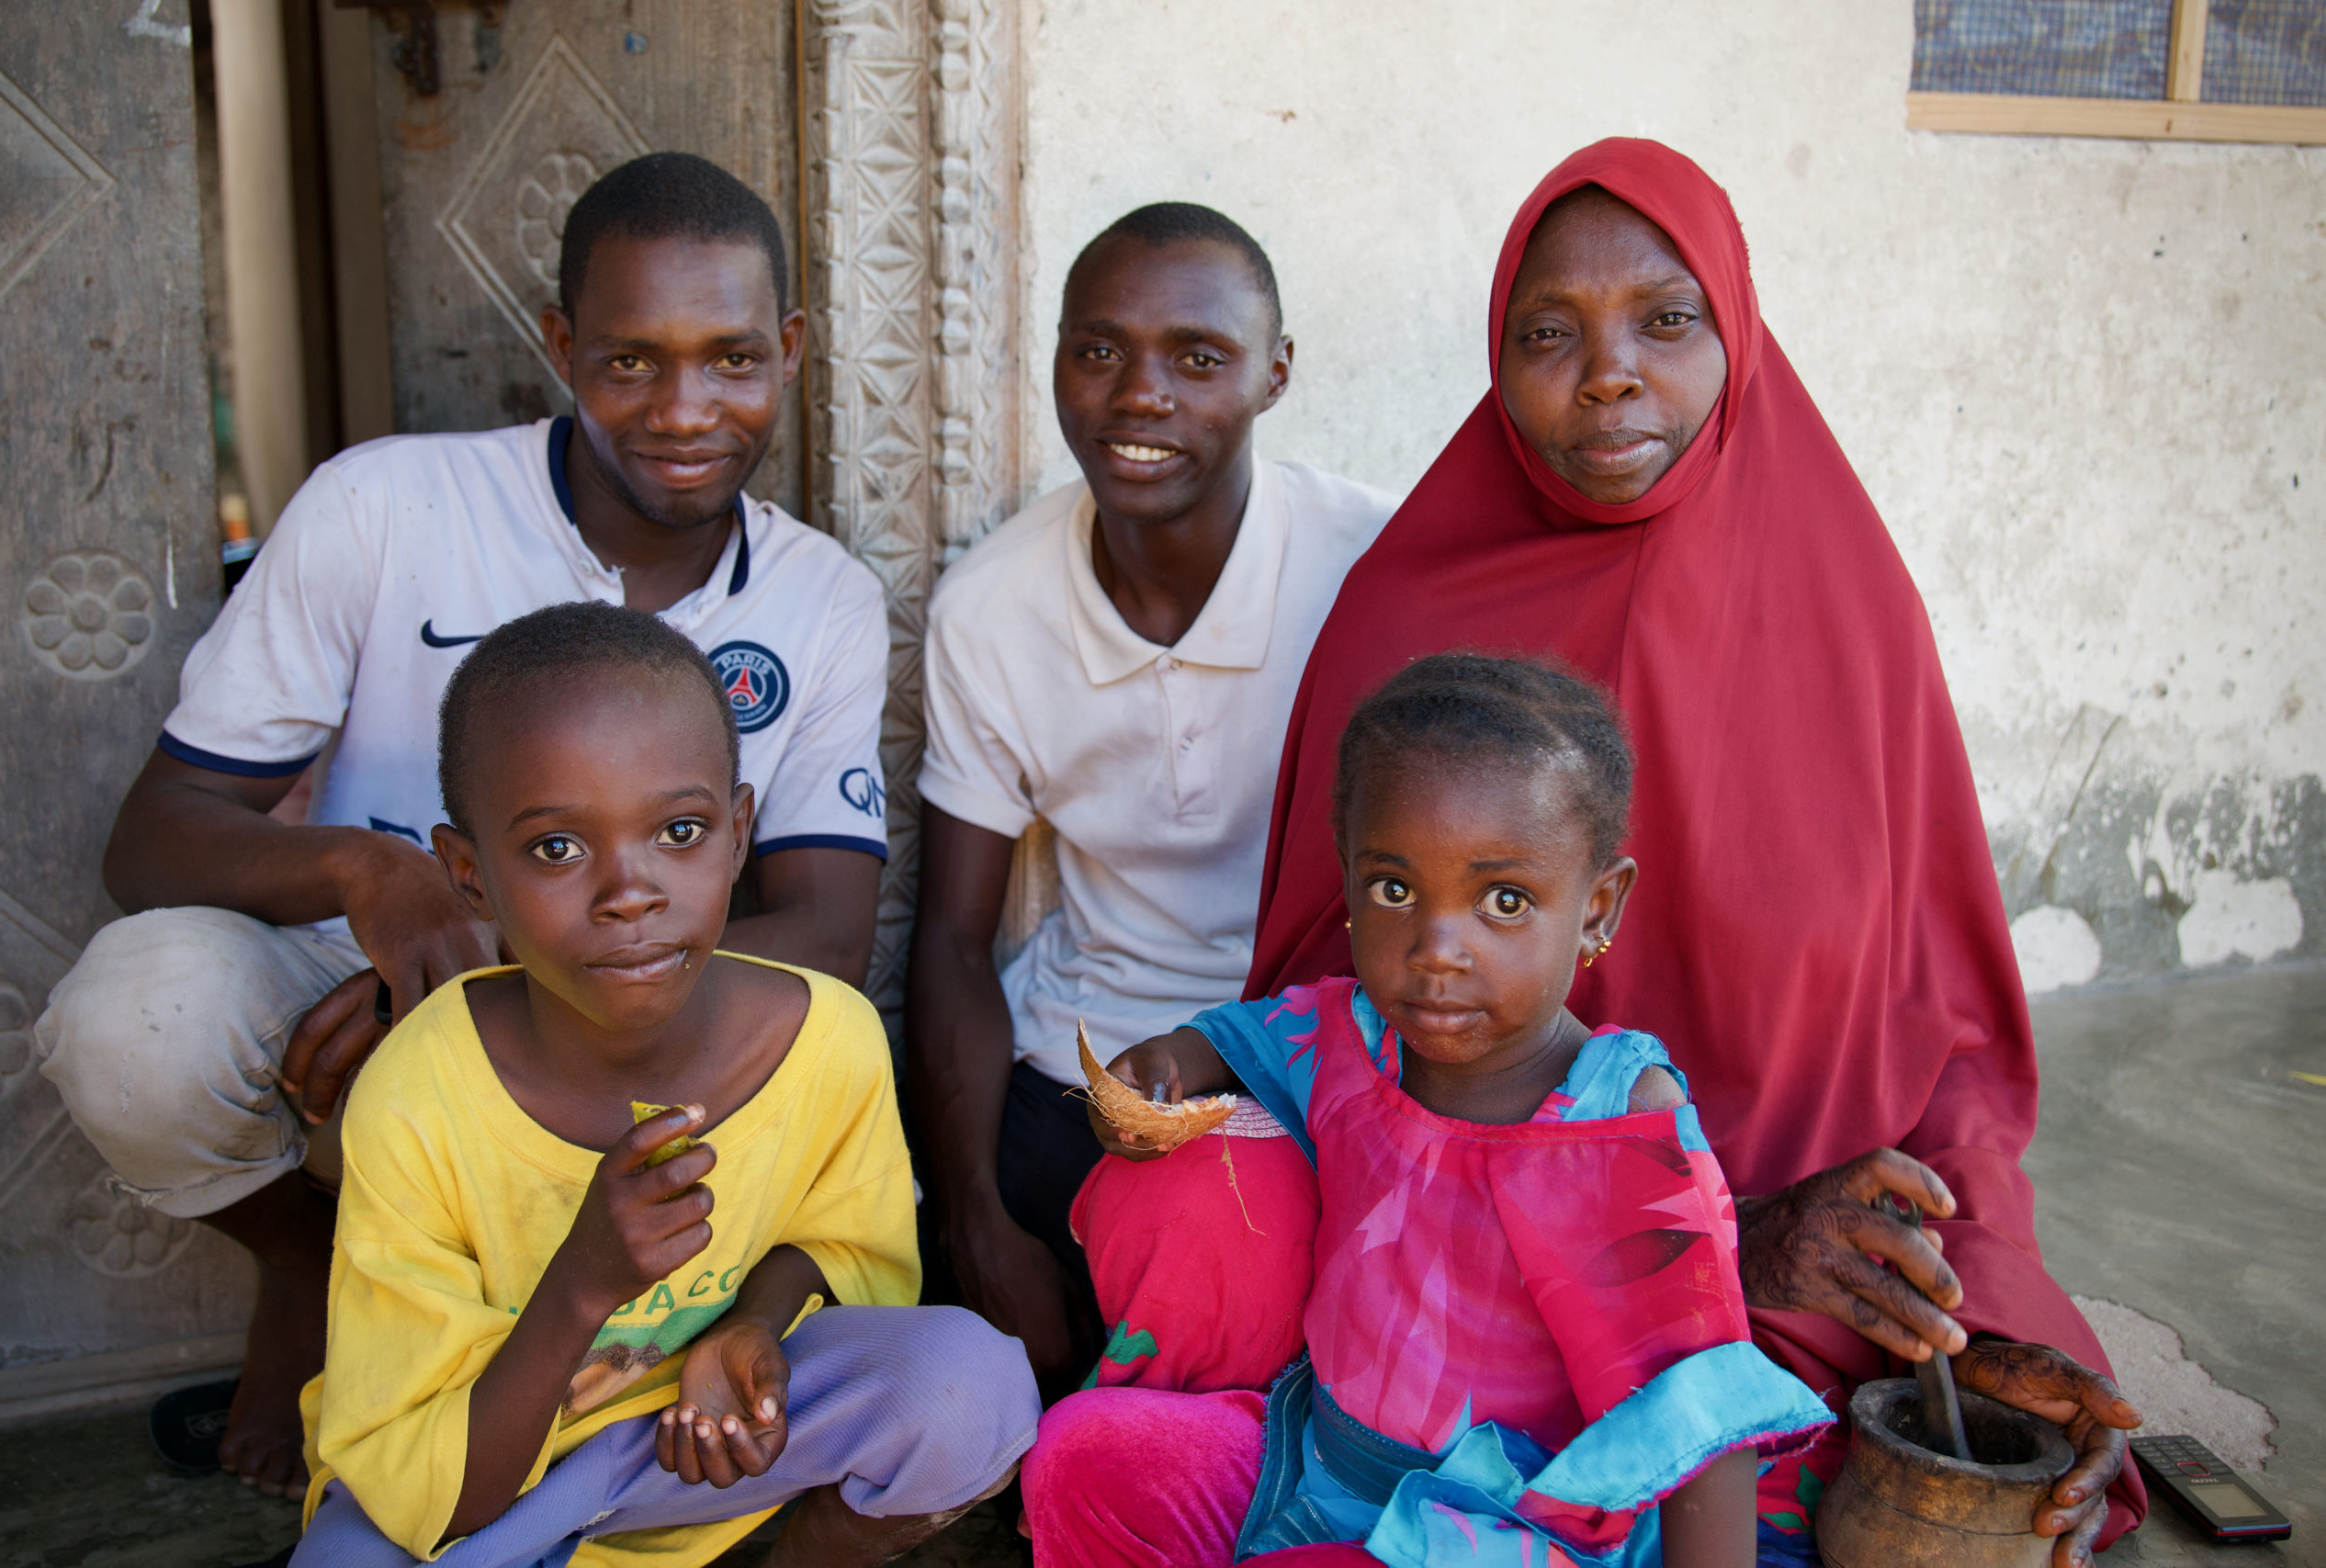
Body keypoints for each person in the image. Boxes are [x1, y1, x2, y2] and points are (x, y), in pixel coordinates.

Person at [1087, 139, 2147, 1566]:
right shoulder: (1410, 606)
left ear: (1739, 334)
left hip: (1764, 1307)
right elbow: (1336, 996)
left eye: (1666, 320)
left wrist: (1993, 1303)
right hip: (1442, 1245)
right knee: (1195, 1212)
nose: (1607, 375)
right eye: (1549, 333)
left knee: (1925, 1468)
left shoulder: (1853, 612)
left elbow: (1940, 1028)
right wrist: (1720, 1223)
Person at [32, 152, 891, 1499]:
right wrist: (366, 873)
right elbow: (154, 838)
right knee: (135, 1016)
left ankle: (566, 1361)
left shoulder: (822, 598)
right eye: (628, 363)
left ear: (787, 349)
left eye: (730, 359)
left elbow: (831, 934)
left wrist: (515, 980)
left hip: (633, 988)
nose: (684, 410)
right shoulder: (385, 504)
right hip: (362, 978)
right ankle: (314, 1270)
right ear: (559, 346)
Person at [1024, 655, 1834, 1568]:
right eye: (1395, 890)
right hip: (1317, 1476)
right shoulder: (1350, 1035)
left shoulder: (1617, 1120)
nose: (1437, 949)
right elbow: (1217, 1043)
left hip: (1501, 1532)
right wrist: (1151, 1073)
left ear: (1597, 908)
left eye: (1503, 900)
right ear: (1350, 879)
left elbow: (1698, 1418)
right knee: (1081, 1457)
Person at [288, 602, 1033, 1568]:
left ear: (738, 834)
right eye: (557, 849)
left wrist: (754, 1329)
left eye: (678, 831)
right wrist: (582, 1285)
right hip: (493, 1478)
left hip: (713, 1448)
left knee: (967, 1384)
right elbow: (432, 1491)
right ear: (468, 877)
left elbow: (847, 1251)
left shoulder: (826, 1038)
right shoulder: (418, 1090)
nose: (629, 893)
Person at [906, 202, 1395, 1382]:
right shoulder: (992, 606)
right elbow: (954, 940)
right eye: (1099, 350)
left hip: (1311, 1061)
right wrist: (977, 1219)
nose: (1140, 394)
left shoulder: (1370, 571)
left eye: (1198, 357)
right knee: (940, 1313)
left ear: (1275, 377)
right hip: (1085, 1074)